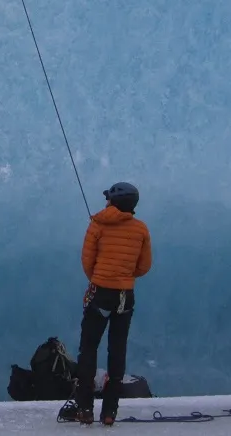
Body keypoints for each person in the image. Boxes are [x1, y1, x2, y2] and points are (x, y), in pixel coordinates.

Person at [74, 182, 152, 426]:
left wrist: (99, 279)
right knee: (117, 352)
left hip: (100, 293)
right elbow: (143, 266)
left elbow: (87, 261)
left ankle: (85, 409)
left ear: (112, 202)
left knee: (89, 349)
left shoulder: (97, 224)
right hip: (124, 296)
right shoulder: (140, 229)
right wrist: (124, 277)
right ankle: (109, 413)